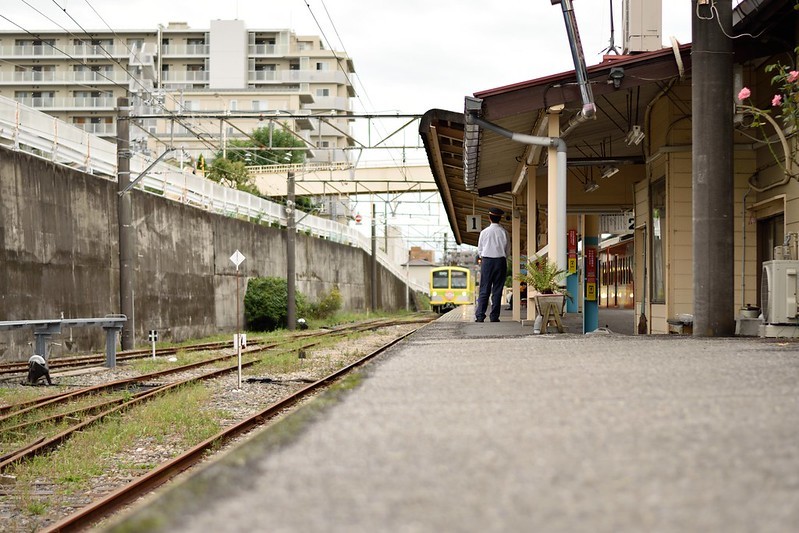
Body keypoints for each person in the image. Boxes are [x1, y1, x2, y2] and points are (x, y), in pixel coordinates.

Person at [475, 206, 510, 322]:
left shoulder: (484, 232)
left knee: (484, 289)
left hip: (487, 262)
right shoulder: (504, 232)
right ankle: (494, 316)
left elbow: (479, 250)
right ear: (500, 218)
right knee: (497, 289)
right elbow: (507, 251)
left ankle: (480, 315)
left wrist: (485, 257)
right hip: (500, 261)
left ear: (489, 218)